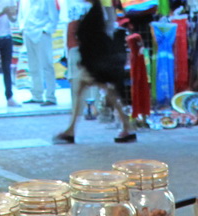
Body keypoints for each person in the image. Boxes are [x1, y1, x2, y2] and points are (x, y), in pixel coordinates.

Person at [52, 0, 136, 144]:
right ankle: (126, 126)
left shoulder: (98, 12)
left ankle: (71, 130)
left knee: (102, 92)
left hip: (97, 63)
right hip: (97, 62)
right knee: (107, 93)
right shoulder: (99, 11)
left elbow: (95, 37)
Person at [22, 0, 61, 105]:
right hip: (28, 33)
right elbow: (22, 14)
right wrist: (23, 28)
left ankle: (50, 97)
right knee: (33, 66)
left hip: (41, 34)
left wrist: (45, 30)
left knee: (47, 66)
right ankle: (36, 95)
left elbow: (54, 17)